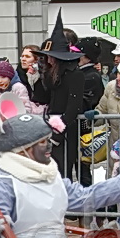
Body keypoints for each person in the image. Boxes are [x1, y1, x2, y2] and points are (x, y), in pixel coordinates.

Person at [31, 11, 85, 182]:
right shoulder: (52, 74)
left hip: (66, 128)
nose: (47, 60)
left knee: (63, 170)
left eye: (49, 57)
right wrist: (39, 75)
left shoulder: (74, 74)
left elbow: (74, 104)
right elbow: (41, 97)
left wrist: (59, 127)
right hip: (51, 125)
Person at [75, 38, 104, 112]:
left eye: (77, 53)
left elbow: (83, 105)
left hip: (84, 121)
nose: (74, 55)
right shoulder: (81, 73)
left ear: (87, 57)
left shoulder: (91, 77)